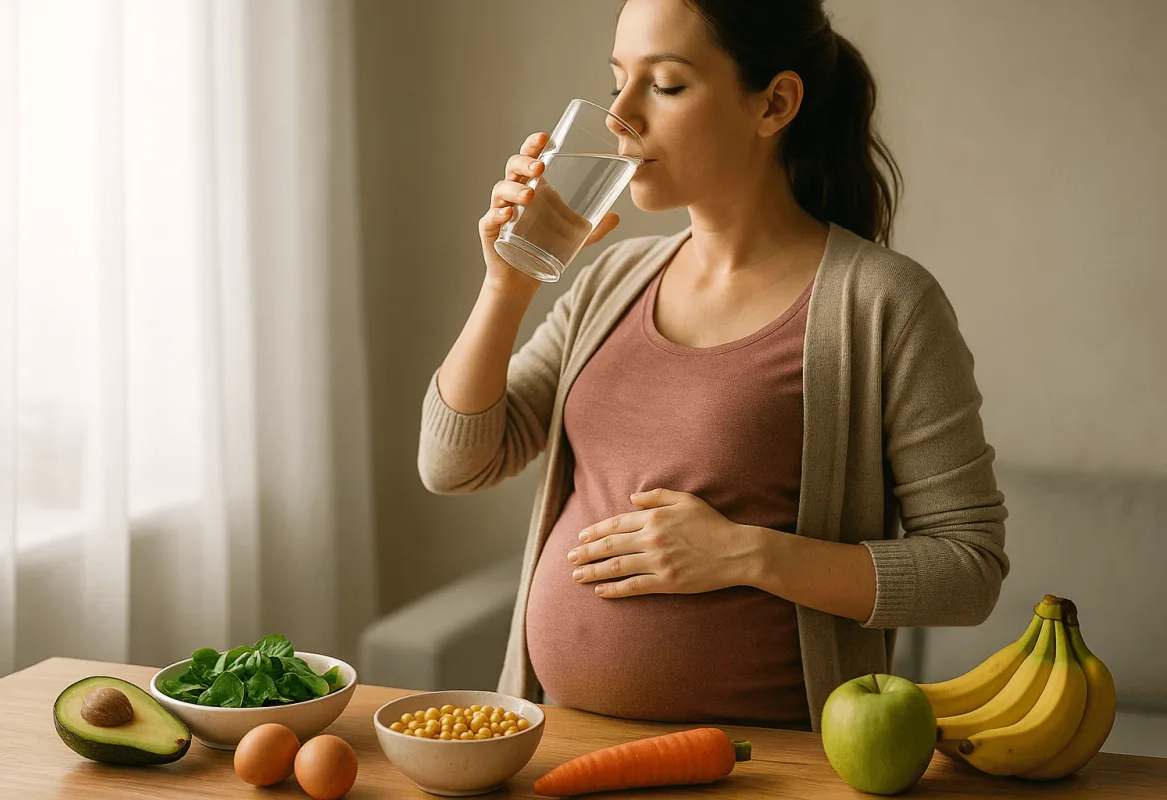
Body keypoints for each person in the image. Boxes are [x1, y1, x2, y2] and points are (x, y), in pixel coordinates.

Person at [418, 0, 1008, 733]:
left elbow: (968, 570)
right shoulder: (612, 280)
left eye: (664, 85)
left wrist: (745, 554)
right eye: (615, 83)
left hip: (767, 768)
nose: (620, 119)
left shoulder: (884, 303)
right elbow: (455, 464)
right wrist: (507, 283)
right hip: (562, 741)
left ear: (774, 104)